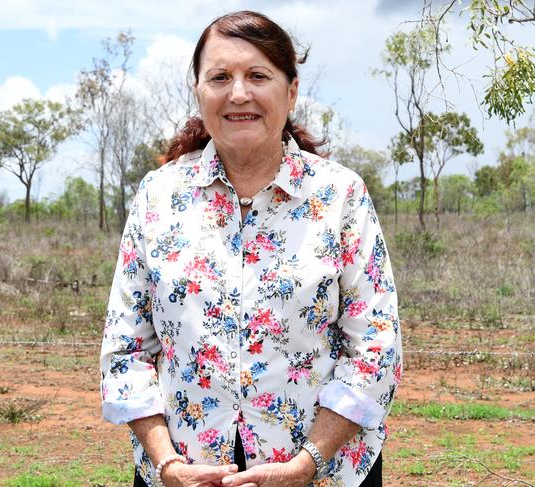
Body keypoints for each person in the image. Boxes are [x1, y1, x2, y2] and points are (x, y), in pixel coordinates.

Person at [100, 10, 402, 487]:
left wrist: (307, 463)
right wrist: (167, 464)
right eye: (220, 77)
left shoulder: (340, 196)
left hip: (322, 470)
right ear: (199, 92)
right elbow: (126, 348)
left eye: (258, 76)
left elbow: (375, 345)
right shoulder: (158, 197)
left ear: (292, 90)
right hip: (184, 473)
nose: (238, 93)